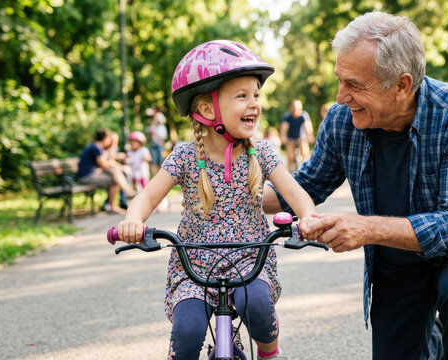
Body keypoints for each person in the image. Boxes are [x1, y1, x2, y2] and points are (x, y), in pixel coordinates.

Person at [263, 12, 448, 360]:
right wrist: (233, 194)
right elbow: (306, 185)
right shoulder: (341, 121)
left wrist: (367, 228)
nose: (340, 97)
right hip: (398, 252)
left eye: (354, 84)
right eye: (340, 80)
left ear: (402, 85)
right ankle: (430, 341)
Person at [117, 40, 322, 360]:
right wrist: (133, 221)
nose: (254, 103)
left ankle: (269, 352)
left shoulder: (262, 153)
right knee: (186, 332)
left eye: (256, 94)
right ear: (207, 109)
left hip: (249, 262)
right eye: (242, 96)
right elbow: (147, 196)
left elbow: (294, 193)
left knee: (258, 308)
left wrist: (307, 216)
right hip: (194, 265)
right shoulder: (184, 156)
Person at [76, 129, 136, 215]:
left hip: (91, 174)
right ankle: (118, 201)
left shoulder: (95, 146)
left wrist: (116, 165)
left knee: (115, 175)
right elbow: (104, 165)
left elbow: (105, 164)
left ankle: (121, 198)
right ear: (105, 138)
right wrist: (116, 165)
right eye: (109, 138)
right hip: (86, 177)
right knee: (114, 179)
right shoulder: (96, 147)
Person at [279, 99, 313, 172]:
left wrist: (310, 136)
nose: (296, 111)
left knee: (305, 153)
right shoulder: (287, 117)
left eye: (298, 109)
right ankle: (290, 173)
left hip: (301, 138)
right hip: (290, 139)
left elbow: (308, 128)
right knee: (291, 157)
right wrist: (283, 138)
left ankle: (306, 171)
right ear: (291, 108)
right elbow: (284, 130)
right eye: (294, 108)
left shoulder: (304, 115)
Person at [146, 107, 168, 176]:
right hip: (154, 144)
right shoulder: (153, 126)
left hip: (159, 145)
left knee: (160, 161)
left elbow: (163, 137)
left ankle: (160, 176)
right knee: (154, 161)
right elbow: (150, 132)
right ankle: (155, 175)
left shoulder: (161, 126)